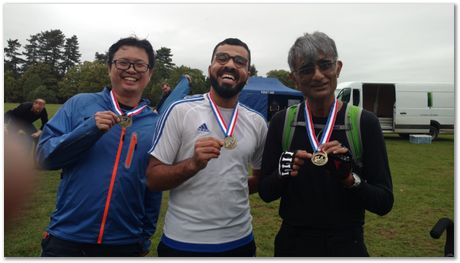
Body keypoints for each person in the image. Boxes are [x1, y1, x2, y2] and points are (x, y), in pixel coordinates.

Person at [258, 31, 394, 257]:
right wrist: (283, 173)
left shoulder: (364, 122)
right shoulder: (282, 122)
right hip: (293, 244)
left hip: (347, 243)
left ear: (338, 68)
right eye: (307, 69)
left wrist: (349, 179)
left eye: (325, 65)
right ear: (295, 78)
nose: (318, 75)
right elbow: (265, 192)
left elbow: (384, 202)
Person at [36, 36, 162, 257]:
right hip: (68, 238)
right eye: (123, 62)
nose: (131, 69)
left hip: (125, 243)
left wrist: (144, 237)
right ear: (109, 68)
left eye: (140, 64)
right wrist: (88, 130)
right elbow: (43, 157)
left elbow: (153, 186)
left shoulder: (155, 124)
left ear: (150, 73)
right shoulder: (79, 104)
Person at [146, 38, 268, 257]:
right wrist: (192, 165)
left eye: (240, 61)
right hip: (183, 242)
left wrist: (228, 188)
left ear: (247, 74)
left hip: (240, 241)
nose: (230, 64)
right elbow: (153, 179)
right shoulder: (180, 111)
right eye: (222, 58)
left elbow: (259, 179)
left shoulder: (257, 122)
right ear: (210, 67)